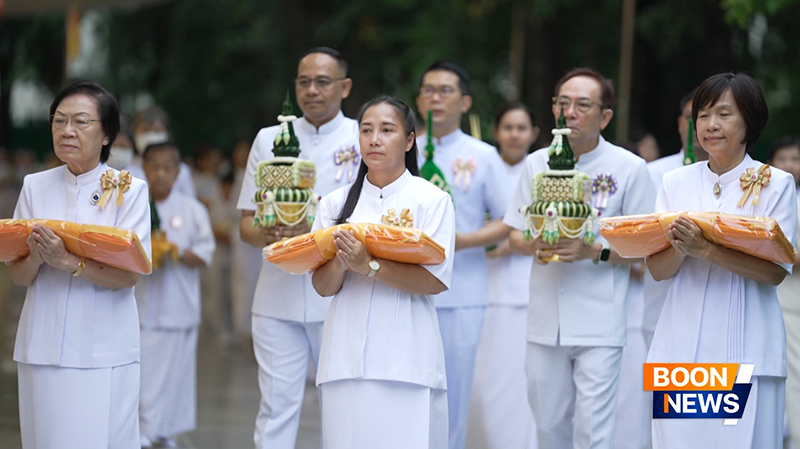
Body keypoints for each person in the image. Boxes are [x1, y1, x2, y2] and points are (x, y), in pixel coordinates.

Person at [504, 68, 655, 449]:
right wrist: (535, 244)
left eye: (582, 105)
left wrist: (595, 250)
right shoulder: (537, 163)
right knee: (549, 425)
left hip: (600, 320)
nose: (569, 112)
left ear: (604, 116)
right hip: (544, 319)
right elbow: (514, 233)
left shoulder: (630, 168)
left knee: (593, 430)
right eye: (562, 103)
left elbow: (645, 248)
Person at [646, 72, 797, 448]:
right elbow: (657, 270)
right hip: (680, 355)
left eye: (724, 114)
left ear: (750, 121)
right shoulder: (675, 182)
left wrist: (708, 250)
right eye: (703, 115)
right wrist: (681, 247)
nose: (711, 125)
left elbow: (775, 272)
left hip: (745, 350)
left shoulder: (775, 183)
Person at [8, 81, 151, 449]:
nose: (67, 130)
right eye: (59, 121)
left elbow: (130, 275)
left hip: (102, 348)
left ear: (106, 134)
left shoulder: (128, 189)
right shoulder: (34, 186)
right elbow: (19, 274)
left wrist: (68, 261)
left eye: (81, 122)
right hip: (41, 343)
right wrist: (38, 256)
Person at [311, 95, 454, 449]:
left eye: (387, 130)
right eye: (366, 130)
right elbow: (322, 286)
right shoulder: (334, 204)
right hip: (345, 357)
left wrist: (370, 266)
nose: (374, 139)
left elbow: (435, 280)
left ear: (408, 141)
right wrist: (343, 262)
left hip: (407, 357)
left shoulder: (432, 200)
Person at [236, 46, 359, 449]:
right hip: (277, 293)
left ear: (345, 86)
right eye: (304, 81)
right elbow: (246, 225)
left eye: (323, 81)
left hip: (341, 293)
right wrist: (268, 233)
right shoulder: (269, 139)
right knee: (276, 405)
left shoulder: (364, 137)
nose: (312, 90)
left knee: (341, 404)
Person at [415, 60, 511, 449]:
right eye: (428, 90)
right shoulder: (403, 149)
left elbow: (509, 218)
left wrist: (461, 241)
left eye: (445, 90)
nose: (435, 97)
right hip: (405, 289)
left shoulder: (484, 155)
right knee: (411, 387)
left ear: (465, 101)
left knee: (454, 390)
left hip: (463, 291)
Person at [466, 102, 538, 449]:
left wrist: (509, 241)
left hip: (524, 291)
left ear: (534, 134)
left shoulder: (543, 173)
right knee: (482, 383)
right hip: (480, 285)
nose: (514, 134)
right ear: (495, 132)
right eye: (507, 127)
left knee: (518, 383)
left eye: (521, 128)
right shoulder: (479, 168)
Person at [135, 142, 215, 447]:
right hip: (143, 307)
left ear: (178, 171)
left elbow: (205, 254)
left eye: (166, 167)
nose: (160, 173)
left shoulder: (192, 209)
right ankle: (144, 429)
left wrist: (175, 253)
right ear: (144, 169)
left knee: (176, 377)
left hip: (179, 305)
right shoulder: (135, 205)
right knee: (147, 374)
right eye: (153, 166)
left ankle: (165, 430)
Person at [643, 89, 708, 349]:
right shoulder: (652, 173)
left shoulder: (745, 180)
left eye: (706, 116)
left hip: (719, 305)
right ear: (680, 123)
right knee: (666, 390)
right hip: (661, 306)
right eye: (690, 117)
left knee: (718, 390)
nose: (697, 126)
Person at [767, 137, 800, 448]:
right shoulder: (766, 197)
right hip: (776, 300)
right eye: (783, 158)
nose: (790, 165)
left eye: (796, 158)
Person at [129, 106, 197, 198]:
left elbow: (189, 201)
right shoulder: (127, 167)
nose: (151, 134)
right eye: (146, 130)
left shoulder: (181, 170)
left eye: (156, 130)